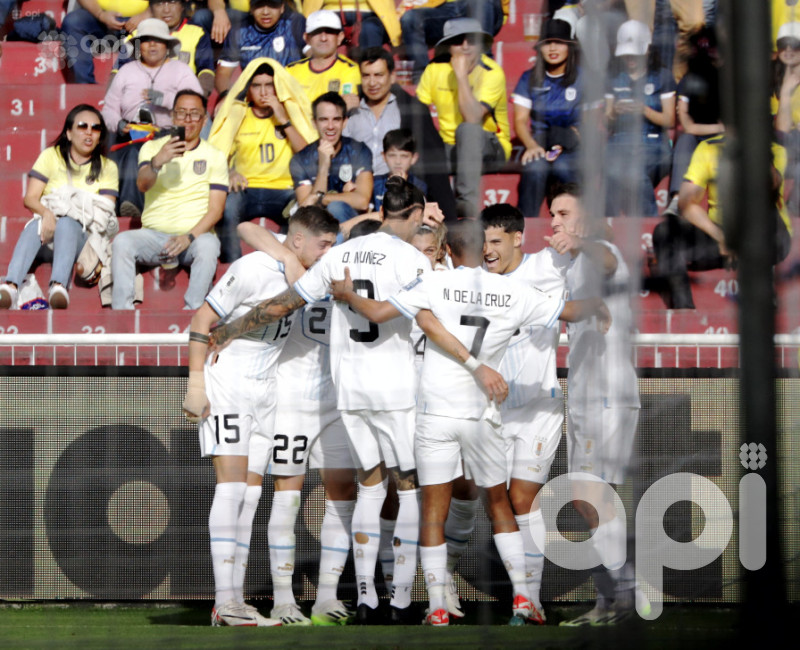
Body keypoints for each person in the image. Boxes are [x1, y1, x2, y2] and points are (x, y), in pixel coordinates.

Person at [208, 178, 482, 624]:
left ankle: (351, 598)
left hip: (344, 391)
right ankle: (392, 599)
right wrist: (474, 365)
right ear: (414, 215)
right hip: (375, 391)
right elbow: (422, 319)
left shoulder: (335, 256)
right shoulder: (413, 261)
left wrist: (228, 330)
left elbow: (282, 297)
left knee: (360, 491)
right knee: (400, 489)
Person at [328, 218, 610, 626]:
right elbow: (570, 311)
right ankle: (522, 600)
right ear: (483, 249)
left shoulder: (433, 285)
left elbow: (375, 310)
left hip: (436, 416)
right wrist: (596, 304)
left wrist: (346, 293)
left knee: (433, 513)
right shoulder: (512, 289)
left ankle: (438, 606)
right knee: (500, 506)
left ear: (446, 251)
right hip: (483, 415)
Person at [181, 205, 339, 627]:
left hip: (265, 390)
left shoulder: (306, 276)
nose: (328, 253)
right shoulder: (252, 269)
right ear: (300, 240)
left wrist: (291, 257)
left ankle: (233, 602)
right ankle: (224, 601)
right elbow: (202, 318)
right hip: (229, 381)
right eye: (323, 244)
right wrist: (196, 383)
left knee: (250, 498)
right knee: (232, 490)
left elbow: (256, 229)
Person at [234, 220, 358, 626]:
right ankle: (284, 600)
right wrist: (288, 254)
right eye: (322, 243)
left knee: (343, 497)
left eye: (332, 244)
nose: (327, 251)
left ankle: (325, 598)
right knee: (287, 500)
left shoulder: (340, 268)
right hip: (290, 403)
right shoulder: (290, 265)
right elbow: (247, 226)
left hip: (335, 403)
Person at [545, 183, 642, 626]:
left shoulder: (600, 251)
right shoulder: (573, 262)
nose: (555, 222)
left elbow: (606, 260)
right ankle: (612, 601)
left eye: (564, 213)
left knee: (587, 496)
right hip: (589, 393)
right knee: (596, 500)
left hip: (604, 394)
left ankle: (625, 593)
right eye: (552, 214)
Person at [480, 203, 571, 624]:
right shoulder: (478, 281)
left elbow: (603, 260)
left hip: (539, 407)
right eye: (484, 241)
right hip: (493, 411)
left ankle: (529, 596)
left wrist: (580, 240)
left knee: (521, 497)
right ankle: (523, 599)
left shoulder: (546, 264)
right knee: (495, 499)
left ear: (518, 239)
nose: (487, 250)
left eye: (496, 241)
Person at [110, 90, 228, 310]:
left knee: (210, 245)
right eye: (182, 113)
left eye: (194, 114)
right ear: (173, 117)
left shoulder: (215, 155)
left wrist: (189, 237)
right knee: (122, 242)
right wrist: (157, 162)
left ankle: (192, 312)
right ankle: (122, 313)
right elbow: (142, 185)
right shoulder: (153, 147)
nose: (187, 119)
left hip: (193, 237)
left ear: (204, 121)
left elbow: (216, 209)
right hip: (153, 235)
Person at [651, 135, 792, 309]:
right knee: (664, 232)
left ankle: (764, 300)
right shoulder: (709, 148)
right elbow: (686, 204)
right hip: (722, 235)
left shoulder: (776, 151)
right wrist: (721, 237)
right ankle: (684, 310)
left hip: (768, 235)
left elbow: (768, 188)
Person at [0, 105, 118, 310]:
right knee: (34, 226)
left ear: (100, 136)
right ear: (69, 133)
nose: (89, 132)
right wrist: (47, 213)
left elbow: (103, 213)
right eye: (82, 126)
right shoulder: (51, 156)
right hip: (48, 232)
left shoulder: (108, 167)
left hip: (84, 237)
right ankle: (10, 286)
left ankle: (59, 286)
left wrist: (65, 211)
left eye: (96, 128)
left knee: (67, 222)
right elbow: (30, 198)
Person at [209, 58, 316, 262]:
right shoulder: (238, 115)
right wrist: (230, 172)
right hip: (247, 188)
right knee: (228, 205)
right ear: (248, 89)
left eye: (269, 86)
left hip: (285, 190)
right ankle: (233, 264)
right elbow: (219, 155)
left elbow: (307, 154)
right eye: (257, 86)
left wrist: (283, 119)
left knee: (302, 213)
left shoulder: (289, 115)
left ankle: (292, 263)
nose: (264, 92)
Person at [101, 18, 203, 217]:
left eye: (158, 40)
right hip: (131, 134)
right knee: (129, 153)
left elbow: (197, 105)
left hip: (169, 134)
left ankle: (135, 205)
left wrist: (164, 99)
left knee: (139, 152)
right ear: (140, 46)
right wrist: (119, 123)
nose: (153, 45)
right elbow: (108, 109)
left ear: (167, 45)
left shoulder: (181, 70)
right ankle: (126, 206)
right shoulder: (126, 71)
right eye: (147, 40)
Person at [344, 48, 458, 220]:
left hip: (398, 195)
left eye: (379, 75)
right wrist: (341, 112)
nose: (372, 82)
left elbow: (435, 166)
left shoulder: (411, 110)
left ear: (392, 76)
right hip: (357, 193)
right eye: (366, 76)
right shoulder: (350, 110)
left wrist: (449, 219)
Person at [416, 18, 511, 219]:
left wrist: (460, 76)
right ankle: (421, 208)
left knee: (467, 130)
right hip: (449, 148)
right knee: (418, 146)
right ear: (449, 46)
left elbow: (472, 117)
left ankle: (466, 205)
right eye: (458, 41)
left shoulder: (492, 72)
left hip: (490, 147)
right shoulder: (435, 69)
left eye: (472, 40)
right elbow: (418, 110)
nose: (466, 46)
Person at [512, 18, 584, 218]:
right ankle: (525, 225)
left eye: (559, 42)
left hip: (575, 143)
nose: (553, 48)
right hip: (541, 143)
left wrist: (571, 138)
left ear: (569, 47)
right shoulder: (529, 78)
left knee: (564, 167)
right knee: (534, 168)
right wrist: (532, 146)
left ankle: (580, 222)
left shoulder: (584, 77)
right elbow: (519, 121)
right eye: (547, 43)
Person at [604, 19, 676, 217]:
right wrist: (615, 112)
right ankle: (607, 230)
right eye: (626, 54)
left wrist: (643, 110)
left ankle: (649, 226)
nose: (630, 58)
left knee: (634, 172)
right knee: (614, 171)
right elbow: (606, 120)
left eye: (634, 53)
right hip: (619, 142)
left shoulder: (662, 76)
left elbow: (670, 120)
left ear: (647, 50)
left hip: (653, 143)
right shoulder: (613, 76)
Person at [662, 25, 723, 218]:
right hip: (701, 134)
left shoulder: (731, 78)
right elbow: (686, 124)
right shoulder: (690, 79)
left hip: (724, 139)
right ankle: (676, 199)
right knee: (685, 139)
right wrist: (720, 127)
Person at [289, 92, 373, 225]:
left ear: (344, 122)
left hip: (352, 226)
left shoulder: (358, 150)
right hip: (316, 228)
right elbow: (308, 212)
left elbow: (362, 202)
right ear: (314, 123)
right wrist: (323, 167)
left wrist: (321, 197)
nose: (330, 126)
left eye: (336, 119)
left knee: (336, 207)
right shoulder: (301, 160)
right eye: (323, 119)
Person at [116, 1, 216, 96]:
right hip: (142, 101)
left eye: (172, 2)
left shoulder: (197, 33)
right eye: (159, 3)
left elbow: (206, 71)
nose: (166, 10)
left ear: (182, 5)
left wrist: (196, 98)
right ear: (151, 8)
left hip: (183, 102)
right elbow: (118, 72)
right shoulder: (137, 35)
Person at [399, 0, 504, 82]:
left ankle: (483, 67)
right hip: (442, 7)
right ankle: (422, 77)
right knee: (410, 18)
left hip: (480, 5)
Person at [215, 0, 306, 93]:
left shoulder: (295, 23)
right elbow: (223, 73)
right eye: (259, 5)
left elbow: (315, 58)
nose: (265, 12)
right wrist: (225, 96)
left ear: (282, 8)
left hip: (291, 94)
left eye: (272, 5)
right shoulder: (239, 31)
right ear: (251, 8)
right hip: (254, 98)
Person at [286, 10, 361, 112]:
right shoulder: (290, 71)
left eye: (329, 32)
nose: (323, 38)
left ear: (340, 37)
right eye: (317, 32)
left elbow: (344, 110)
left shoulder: (350, 70)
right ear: (307, 38)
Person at [61, 0, 151, 83]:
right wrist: (101, 14)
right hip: (99, 17)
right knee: (73, 22)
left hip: (143, 20)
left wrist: (146, 14)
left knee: (154, 27)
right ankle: (86, 88)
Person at [774, 22, 800, 214]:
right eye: (784, 45)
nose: (789, 50)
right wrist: (785, 91)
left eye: (795, 45)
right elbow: (782, 130)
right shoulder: (767, 74)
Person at [371, 130, 427, 212]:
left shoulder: (419, 186)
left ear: (414, 158)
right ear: (384, 156)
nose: (398, 161)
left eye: (404, 156)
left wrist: (402, 187)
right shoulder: (374, 183)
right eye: (392, 155)